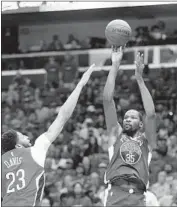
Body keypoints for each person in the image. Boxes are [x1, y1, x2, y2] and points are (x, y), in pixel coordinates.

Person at [1, 64, 96, 207]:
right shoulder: (34, 151)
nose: (27, 136)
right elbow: (62, 117)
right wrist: (80, 85)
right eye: (22, 136)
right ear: (18, 145)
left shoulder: (2, 162)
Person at [103, 46, 156, 206]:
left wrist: (139, 79)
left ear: (141, 124)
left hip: (139, 196)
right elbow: (107, 100)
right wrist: (115, 65)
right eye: (126, 117)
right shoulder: (116, 133)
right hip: (115, 193)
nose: (127, 119)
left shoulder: (147, 140)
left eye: (132, 117)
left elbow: (151, 113)